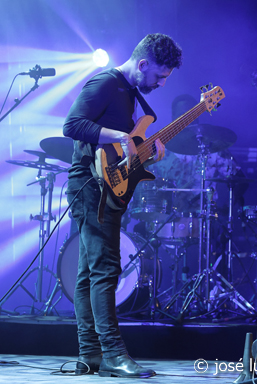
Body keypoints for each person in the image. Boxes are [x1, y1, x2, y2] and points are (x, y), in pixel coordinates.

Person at [63, 33, 183, 378]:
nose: (161, 83)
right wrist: (120, 136)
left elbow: (125, 155)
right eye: (159, 76)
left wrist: (149, 156)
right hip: (90, 186)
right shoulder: (105, 82)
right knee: (106, 269)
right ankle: (114, 355)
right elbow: (72, 125)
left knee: (89, 273)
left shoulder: (131, 94)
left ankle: (91, 355)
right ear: (142, 64)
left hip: (107, 187)